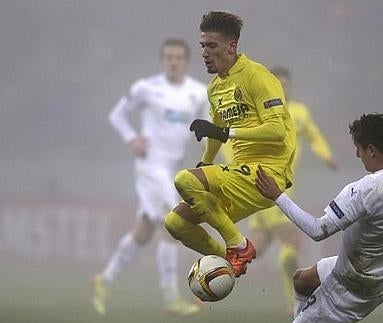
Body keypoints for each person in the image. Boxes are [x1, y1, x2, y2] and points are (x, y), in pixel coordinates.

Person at [256, 113, 383, 322]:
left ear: (371, 150)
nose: (357, 154)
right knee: (302, 280)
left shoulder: (366, 190)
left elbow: (318, 230)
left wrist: (277, 196)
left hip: (353, 286)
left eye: (359, 148)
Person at [163, 11, 296, 278]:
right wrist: (207, 163)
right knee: (175, 223)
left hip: (267, 175)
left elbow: (277, 130)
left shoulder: (258, 76)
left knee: (183, 180)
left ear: (231, 46)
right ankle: (227, 261)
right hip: (240, 175)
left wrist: (226, 132)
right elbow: (216, 131)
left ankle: (240, 246)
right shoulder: (214, 88)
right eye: (202, 46)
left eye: (211, 46)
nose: (204, 53)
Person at [91, 39, 209, 316]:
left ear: (186, 61)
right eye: (168, 57)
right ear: (162, 60)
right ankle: (171, 298)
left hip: (175, 167)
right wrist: (132, 138)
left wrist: (209, 160)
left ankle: (103, 280)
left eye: (178, 57)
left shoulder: (198, 92)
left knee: (144, 231)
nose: (173, 61)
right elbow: (117, 115)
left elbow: (205, 130)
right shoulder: (146, 88)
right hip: (150, 165)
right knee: (175, 221)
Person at [240, 66, 337, 313]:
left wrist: (326, 156)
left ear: (291, 86)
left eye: (285, 84)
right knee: (291, 240)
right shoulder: (260, 113)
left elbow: (313, 135)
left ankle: (209, 275)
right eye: (277, 84)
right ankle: (292, 305)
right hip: (265, 186)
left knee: (254, 249)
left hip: (281, 188)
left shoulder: (300, 112)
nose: (282, 88)